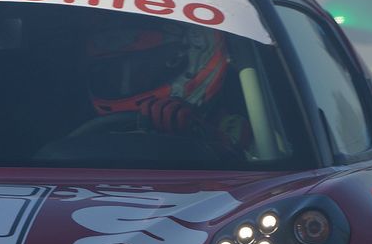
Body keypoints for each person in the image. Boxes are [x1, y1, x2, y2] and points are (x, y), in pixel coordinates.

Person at [84, 22, 250, 151]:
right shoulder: (82, 141)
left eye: (142, 70)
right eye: (110, 75)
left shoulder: (257, 132)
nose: (123, 83)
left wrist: (209, 138)